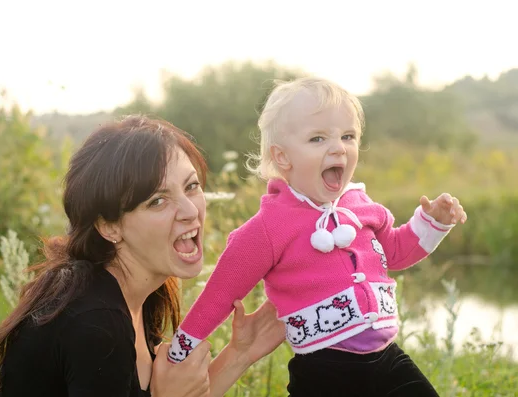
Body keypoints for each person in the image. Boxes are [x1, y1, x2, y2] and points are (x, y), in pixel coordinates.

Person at [168, 77, 468, 396]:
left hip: (386, 360)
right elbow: (220, 294)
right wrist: (180, 351)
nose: (338, 147)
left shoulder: (361, 205)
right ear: (282, 157)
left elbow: (396, 252)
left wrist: (431, 223)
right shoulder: (267, 228)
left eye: (348, 136)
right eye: (318, 139)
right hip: (324, 370)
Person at [0, 115, 286, 397]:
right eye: (157, 201)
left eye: (191, 187)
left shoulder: (134, 293)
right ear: (109, 226)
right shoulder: (95, 326)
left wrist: (240, 353)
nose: (191, 211)